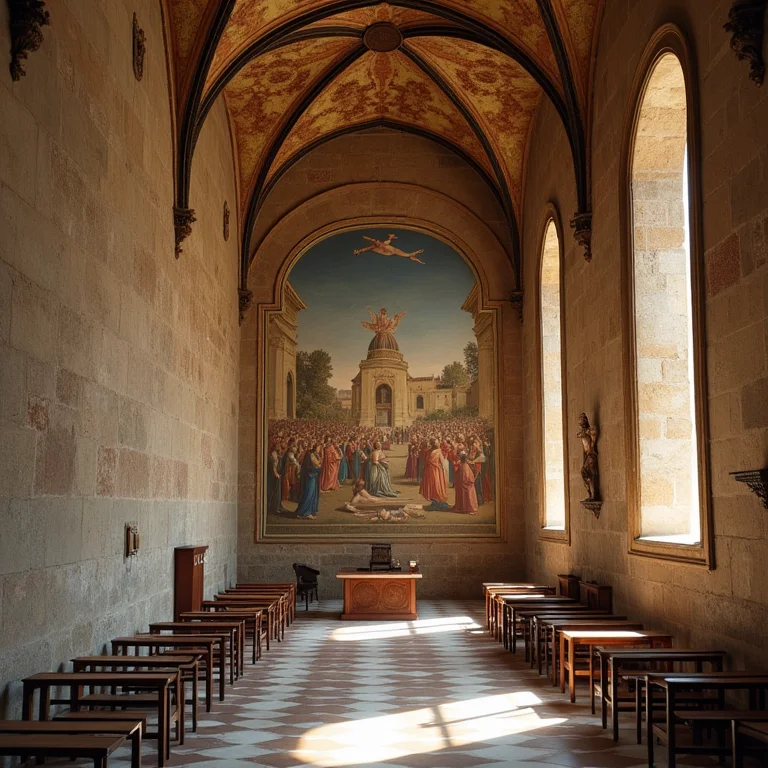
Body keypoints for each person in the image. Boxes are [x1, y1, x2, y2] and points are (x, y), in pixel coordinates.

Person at [296, 443, 322, 519]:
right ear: (315, 447)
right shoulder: (309, 455)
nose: (319, 450)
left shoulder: (315, 455)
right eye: (318, 448)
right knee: (309, 494)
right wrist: (317, 469)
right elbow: (308, 467)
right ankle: (305, 512)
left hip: (313, 477)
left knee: (313, 494)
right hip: (310, 477)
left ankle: (310, 511)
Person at [419, 438, 448, 503]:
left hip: (432, 469)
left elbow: (426, 460)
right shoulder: (437, 451)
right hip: (434, 470)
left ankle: (435, 498)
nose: (438, 444)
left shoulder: (430, 451)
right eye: (437, 443)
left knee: (434, 484)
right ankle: (435, 498)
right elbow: (441, 462)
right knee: (434, 484)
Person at [267, 442, 283, 514]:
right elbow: (273, 466)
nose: (279, 448)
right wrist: (276, 474)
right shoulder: (271, 455)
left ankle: (275, 507)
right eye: (278, 447)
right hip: (272, 476)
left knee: (276, 492)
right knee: (272, 492)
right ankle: (273, 507)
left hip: (276, 476)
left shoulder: (276, 455)